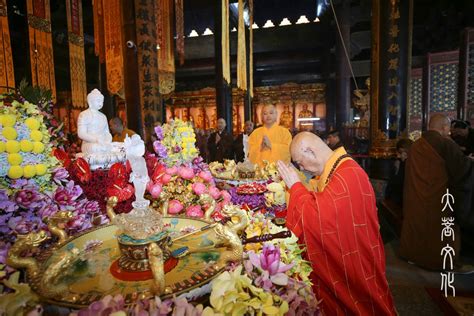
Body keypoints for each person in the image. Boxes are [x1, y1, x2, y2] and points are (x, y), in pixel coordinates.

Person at [277, 132, 396, 315]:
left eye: (301, 162)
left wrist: (296, 187)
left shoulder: (348, 175)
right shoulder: (338, 168)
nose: (303, 169)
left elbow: (320, 219)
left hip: (356, 267)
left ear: (310, 151)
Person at [400, 114, 474, 270]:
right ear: (444, 127)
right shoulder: (446, 144)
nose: (450, 132)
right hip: (439, 200)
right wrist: (470, 162)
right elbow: (462, 170)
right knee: (441, 230)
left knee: (418, 227)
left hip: (416, 198)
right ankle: (443, 262)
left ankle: (414, 257)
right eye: (449, 128)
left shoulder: (416, 145)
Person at [77, 89, 113, 154]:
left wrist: (108, 139)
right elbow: (81, 134)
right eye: (98, 101)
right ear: (90, 102)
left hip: (103, 143)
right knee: (95, 148)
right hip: (90, 143)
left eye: (102, 101)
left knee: (114, 147)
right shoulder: (84, 114)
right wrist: (96, 139)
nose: (100, 103)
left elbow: (107, 132)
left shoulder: (103, 116)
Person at [385, 138, 413, 207]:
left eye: (400, 153)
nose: (398, 156)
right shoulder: (399, 163)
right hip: (396, 200)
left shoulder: (411, 165)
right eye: (398, 153)